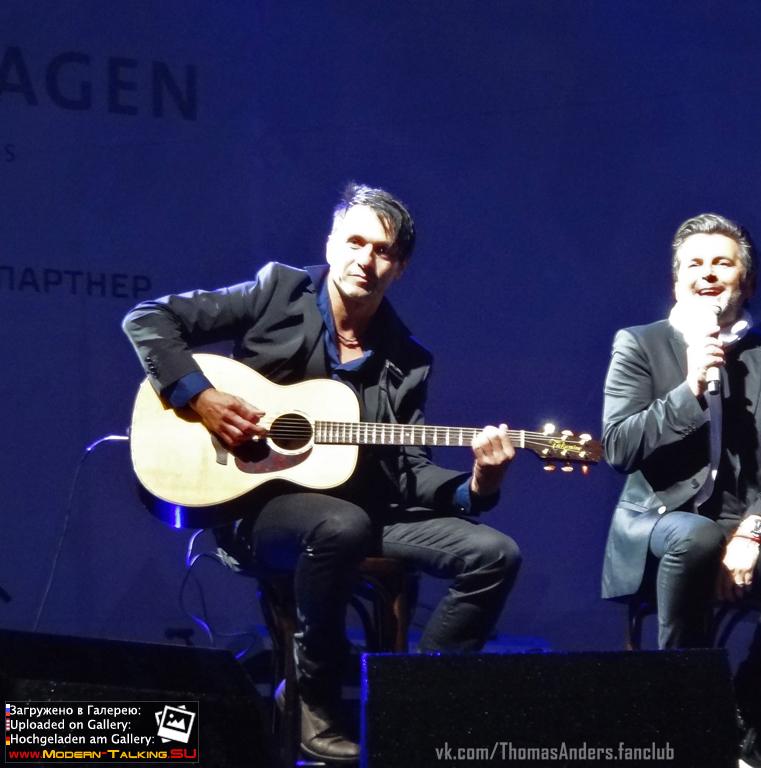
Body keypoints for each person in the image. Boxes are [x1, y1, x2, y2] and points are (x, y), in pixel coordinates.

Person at [123, 183, 521, 765]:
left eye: (383, 251)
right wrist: (202, 397)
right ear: (330, 244)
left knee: (495, 555)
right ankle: (312, 696)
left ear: (400, 268)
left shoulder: (408, 359)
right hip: (257, 508)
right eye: (354, 242)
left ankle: (416, 708)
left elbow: (410, 472)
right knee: (340, 525)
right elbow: (149, 319)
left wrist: (478, 484)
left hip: (364, 514)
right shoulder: (277, 293)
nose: (366, 259)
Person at [600, 213, 761, 768]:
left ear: (747, 283)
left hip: (743, 527)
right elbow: (618, 447)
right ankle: (685, 710)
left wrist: (753, 530)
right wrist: (688, 389)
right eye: (695, 264)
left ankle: (748, 705)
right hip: (661, 524)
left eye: (722, 263)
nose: (707, 273)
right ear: (676, 282)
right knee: (696, 537)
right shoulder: (640, 344)